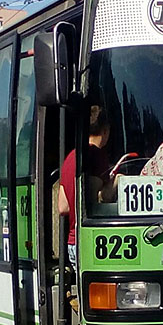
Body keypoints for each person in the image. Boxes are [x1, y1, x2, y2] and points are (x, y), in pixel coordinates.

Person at [58, 105, 116, 267]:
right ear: (105, 131)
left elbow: (63, 207)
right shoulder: (97, 155)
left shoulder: (71, 157)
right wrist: (117, 181)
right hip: (91, 241)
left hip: (73, 243)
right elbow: (94, 200)